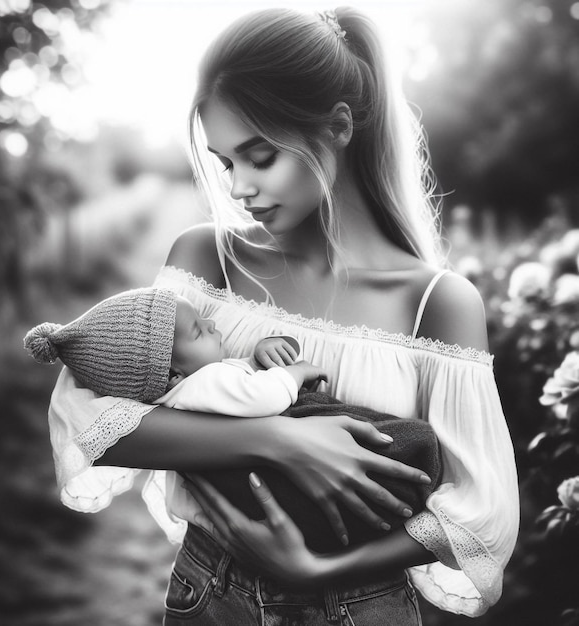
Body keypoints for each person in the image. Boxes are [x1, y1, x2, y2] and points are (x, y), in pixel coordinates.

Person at [47, 6, 519, 624]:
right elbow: (87, 415)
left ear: (340, 127)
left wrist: (319, 571)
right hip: (209, 592)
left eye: (260, 156)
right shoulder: (205, 259)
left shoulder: (437, 303)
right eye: (225, 163)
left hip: (362, 605)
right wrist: (276, 440)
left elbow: (480, 509)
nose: (239, 187)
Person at [25, 287, 442, 554]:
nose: (212, 325)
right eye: (198, 332)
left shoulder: (193, 386)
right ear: (172, 375)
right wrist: (292, 374)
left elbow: (237, 378)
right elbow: (260, 396)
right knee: (399, 438)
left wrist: (263, 351)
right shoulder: (201, 387)